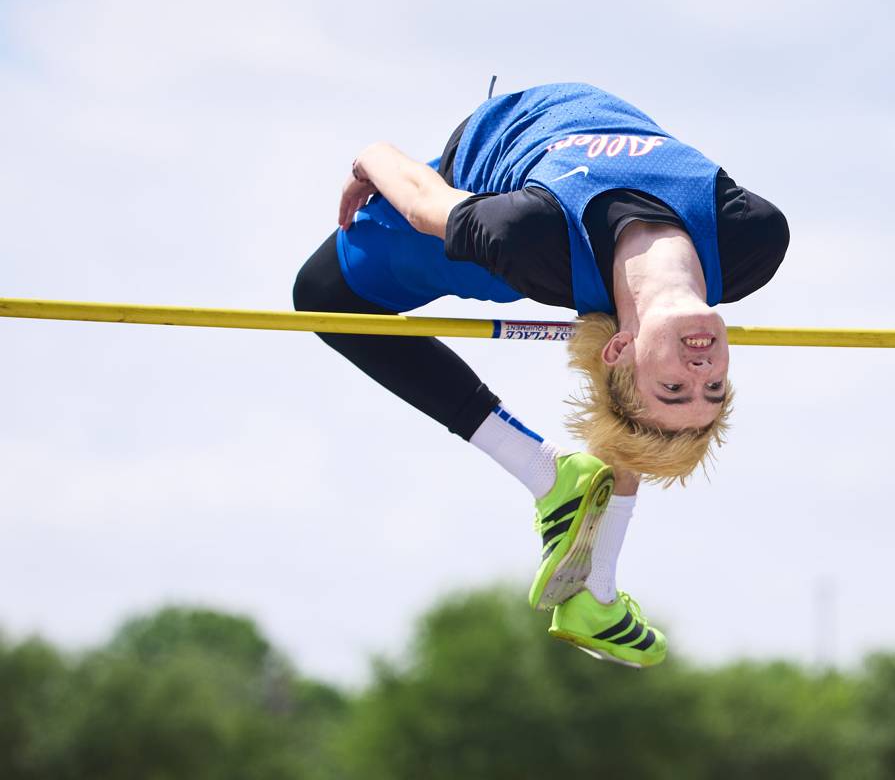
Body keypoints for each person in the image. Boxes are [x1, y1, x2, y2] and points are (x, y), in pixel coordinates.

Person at [293, 82, 789, 668]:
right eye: (711, 389)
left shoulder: (523, 238)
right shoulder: (752, 238)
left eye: (674, 386)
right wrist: (659, 387)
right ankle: (595, 595)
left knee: (324, 296)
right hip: (588, 232)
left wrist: (369, 158)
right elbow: (642, 378)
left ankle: (544, 473)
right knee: (631, 353)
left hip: (487, 168)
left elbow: (425, 200)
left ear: (620, 350)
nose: (701, 371)